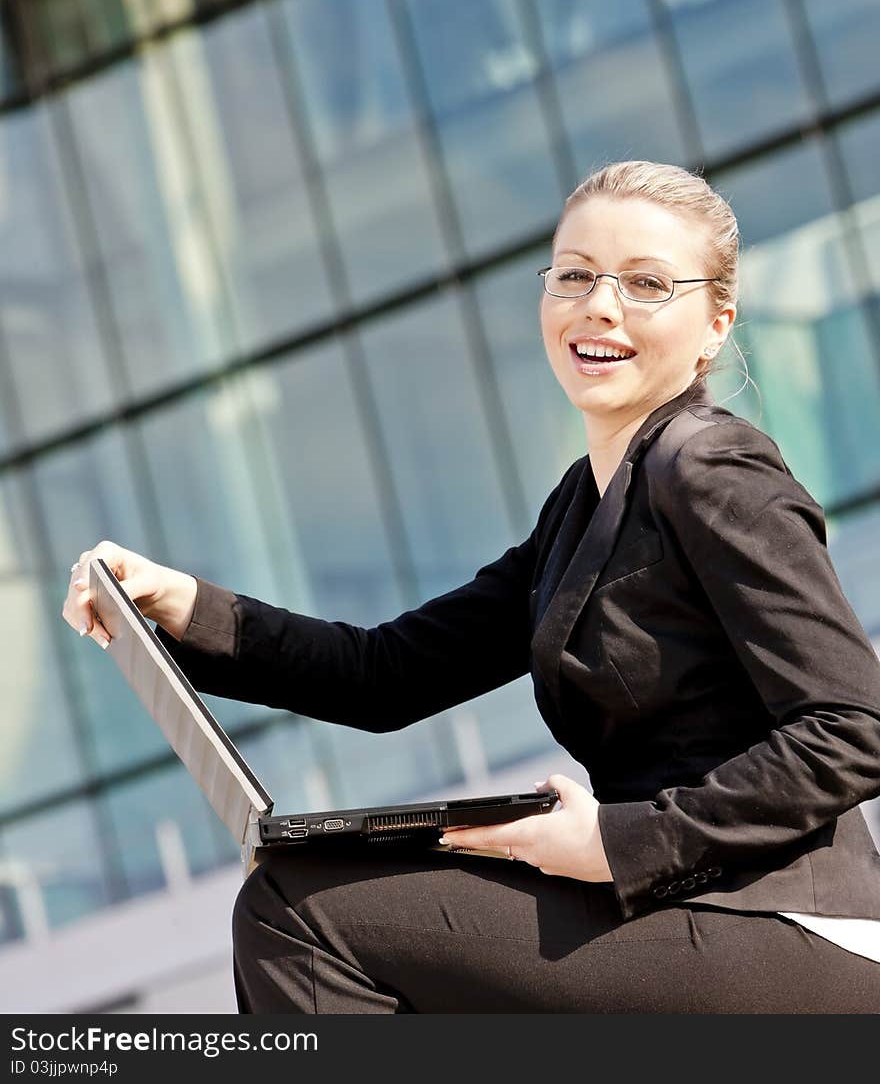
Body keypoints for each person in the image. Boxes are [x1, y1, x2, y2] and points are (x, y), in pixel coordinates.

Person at [63, 160, 880, 1014]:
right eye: (575, 275)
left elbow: (854, 727)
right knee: (315, 890)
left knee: (302, 913)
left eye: (645, 283)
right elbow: (384, 674)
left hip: (786, 924)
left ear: (716, 325)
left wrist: (618, 842)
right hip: (685, 916)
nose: (600, 304)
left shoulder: (711, 465)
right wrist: (180, 605)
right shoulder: (582, 505)